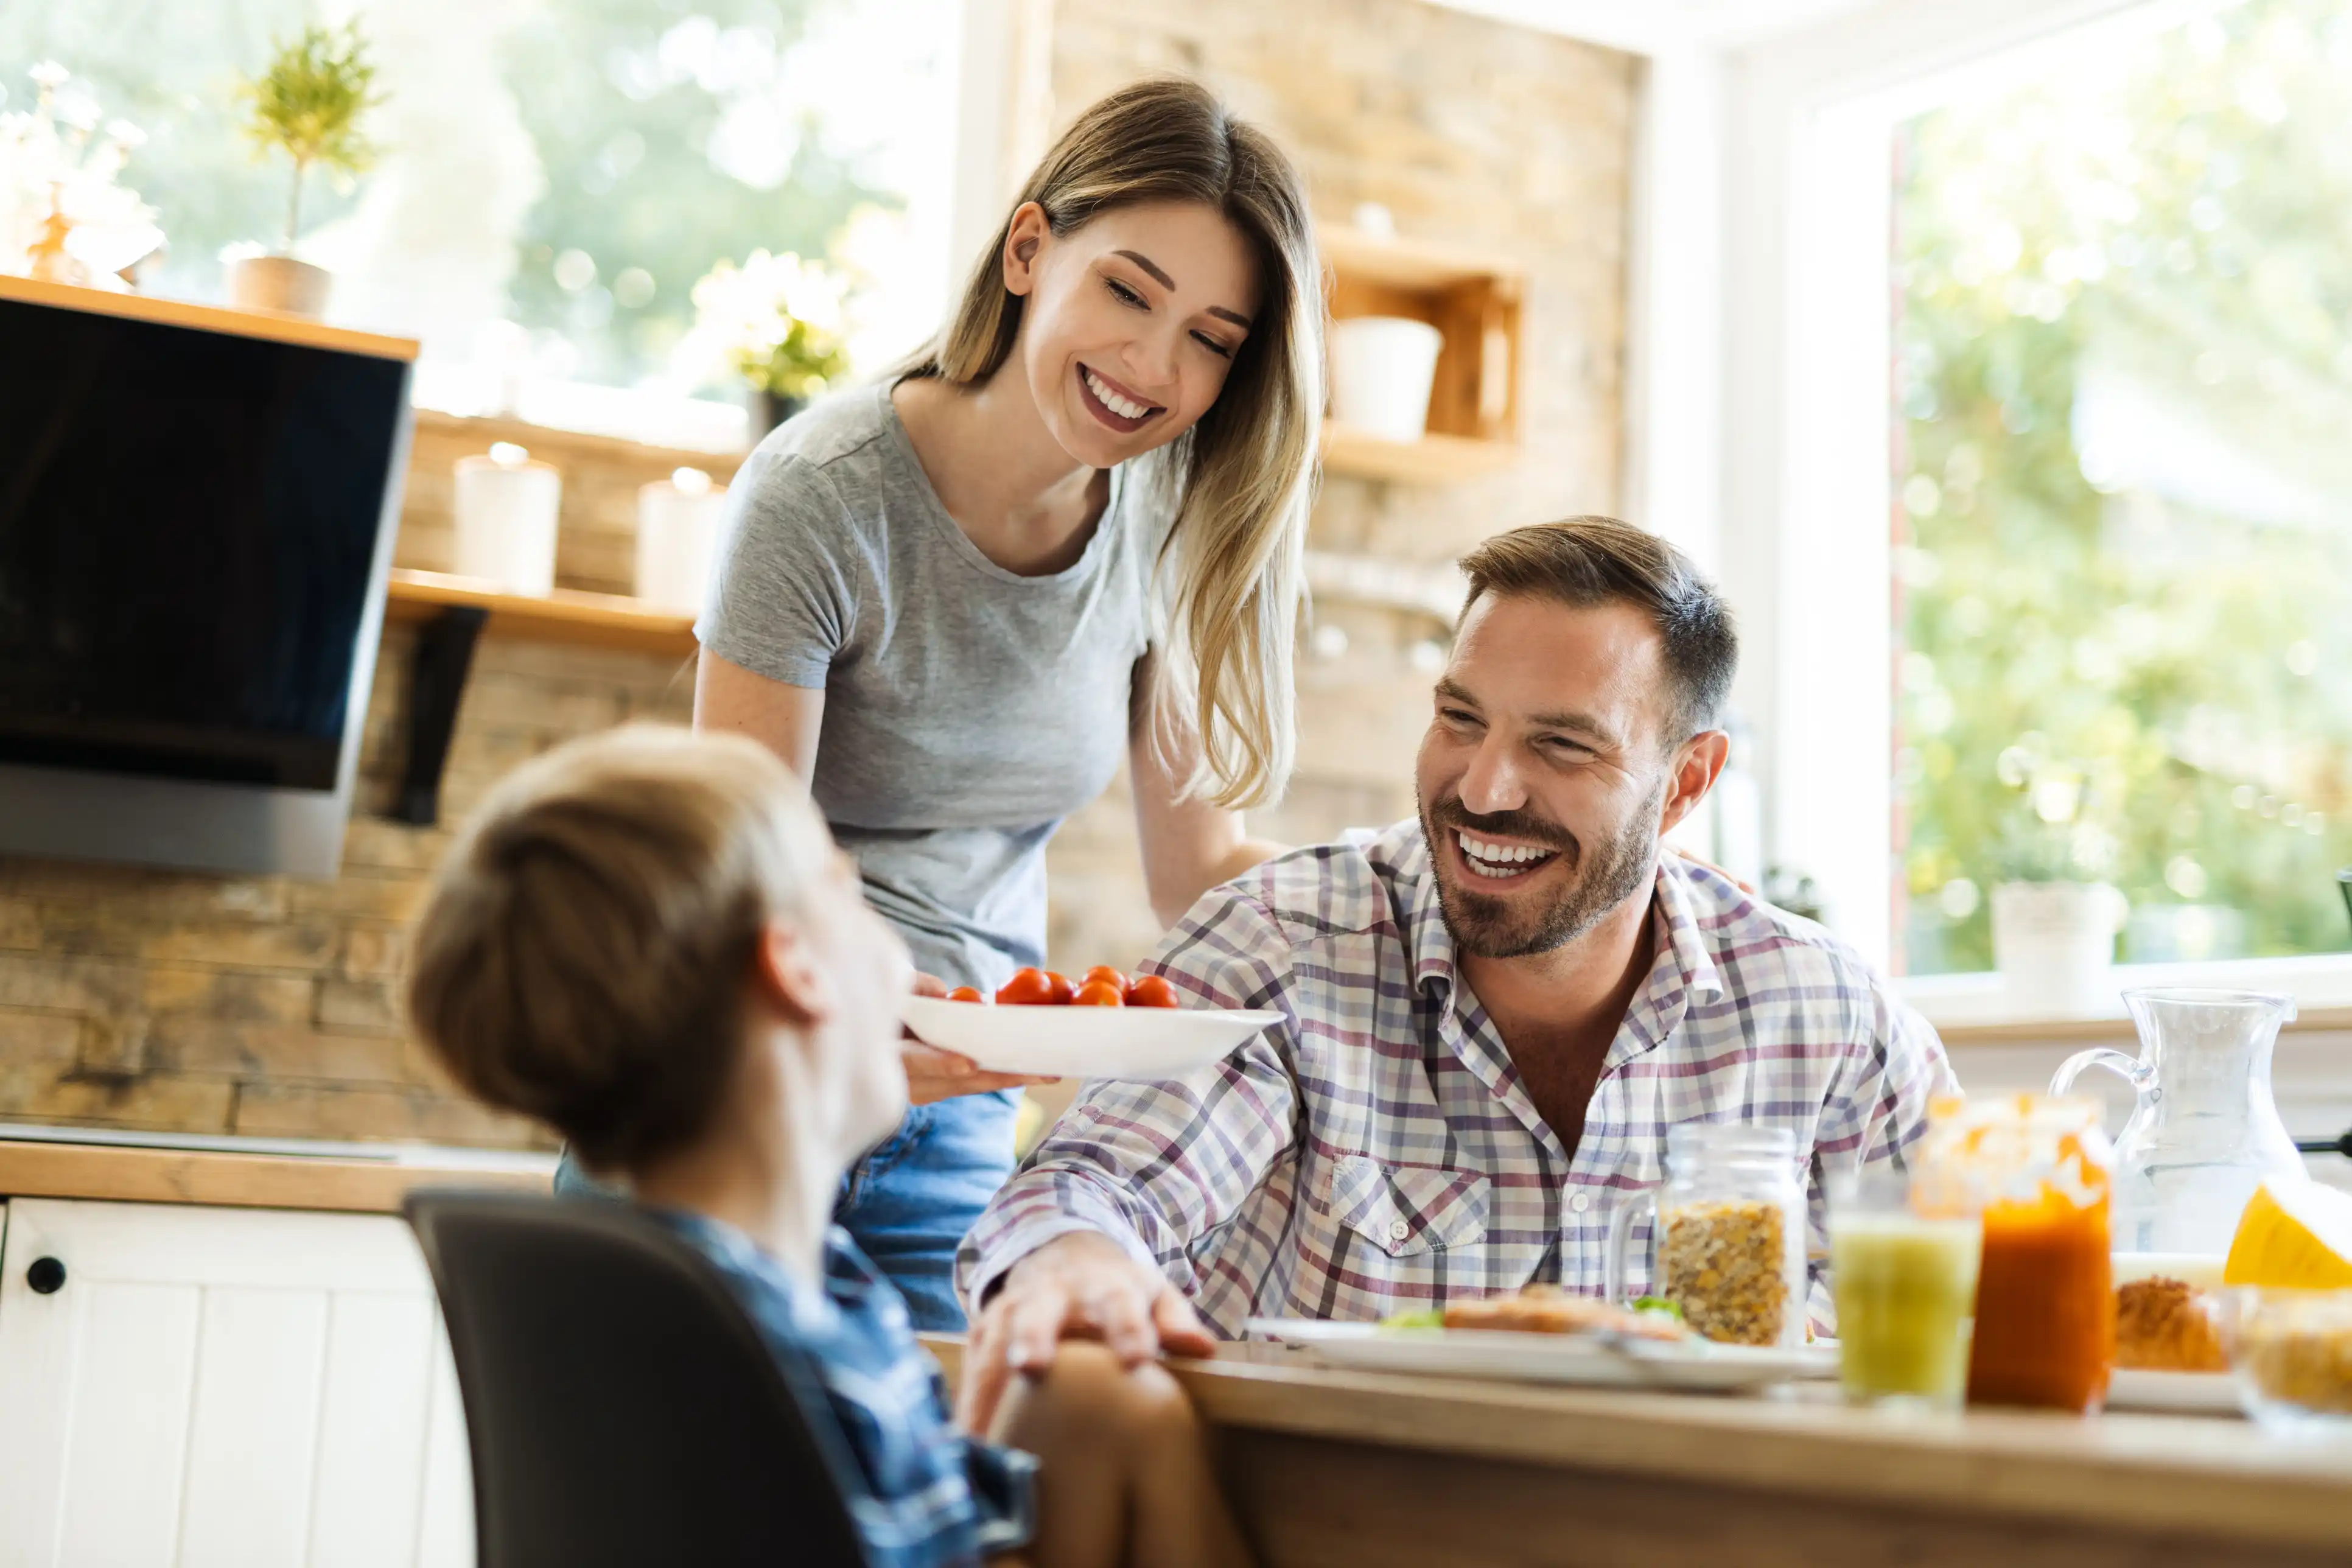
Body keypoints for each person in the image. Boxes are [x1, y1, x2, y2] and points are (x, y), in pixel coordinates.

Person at [953, 517, 1956, 1424]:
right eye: (1461, 719)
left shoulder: (1825, 1019)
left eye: (1561, 745)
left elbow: (1974, 1299)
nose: (1483, 789)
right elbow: (1094, 1188)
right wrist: (1072, 1260)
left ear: (1687, 782)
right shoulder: (1287, 945)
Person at [654, 76, 1322, 1330]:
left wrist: (1406, 907)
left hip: (957, 1119)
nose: (1151, 366)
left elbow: (1201, 874)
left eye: (1212, 340)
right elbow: (741, 871)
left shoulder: (1164, 524)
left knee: (927, 1512)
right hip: (741, 1090)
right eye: (1128, 290)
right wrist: (854, 1043)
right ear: (1030, 249)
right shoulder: (820, 497)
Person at [408, 726, 1251, 1568]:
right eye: (852, 895)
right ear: (798, 967)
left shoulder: (744, 1289)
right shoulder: (791, 1352)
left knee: (1111, 1416)